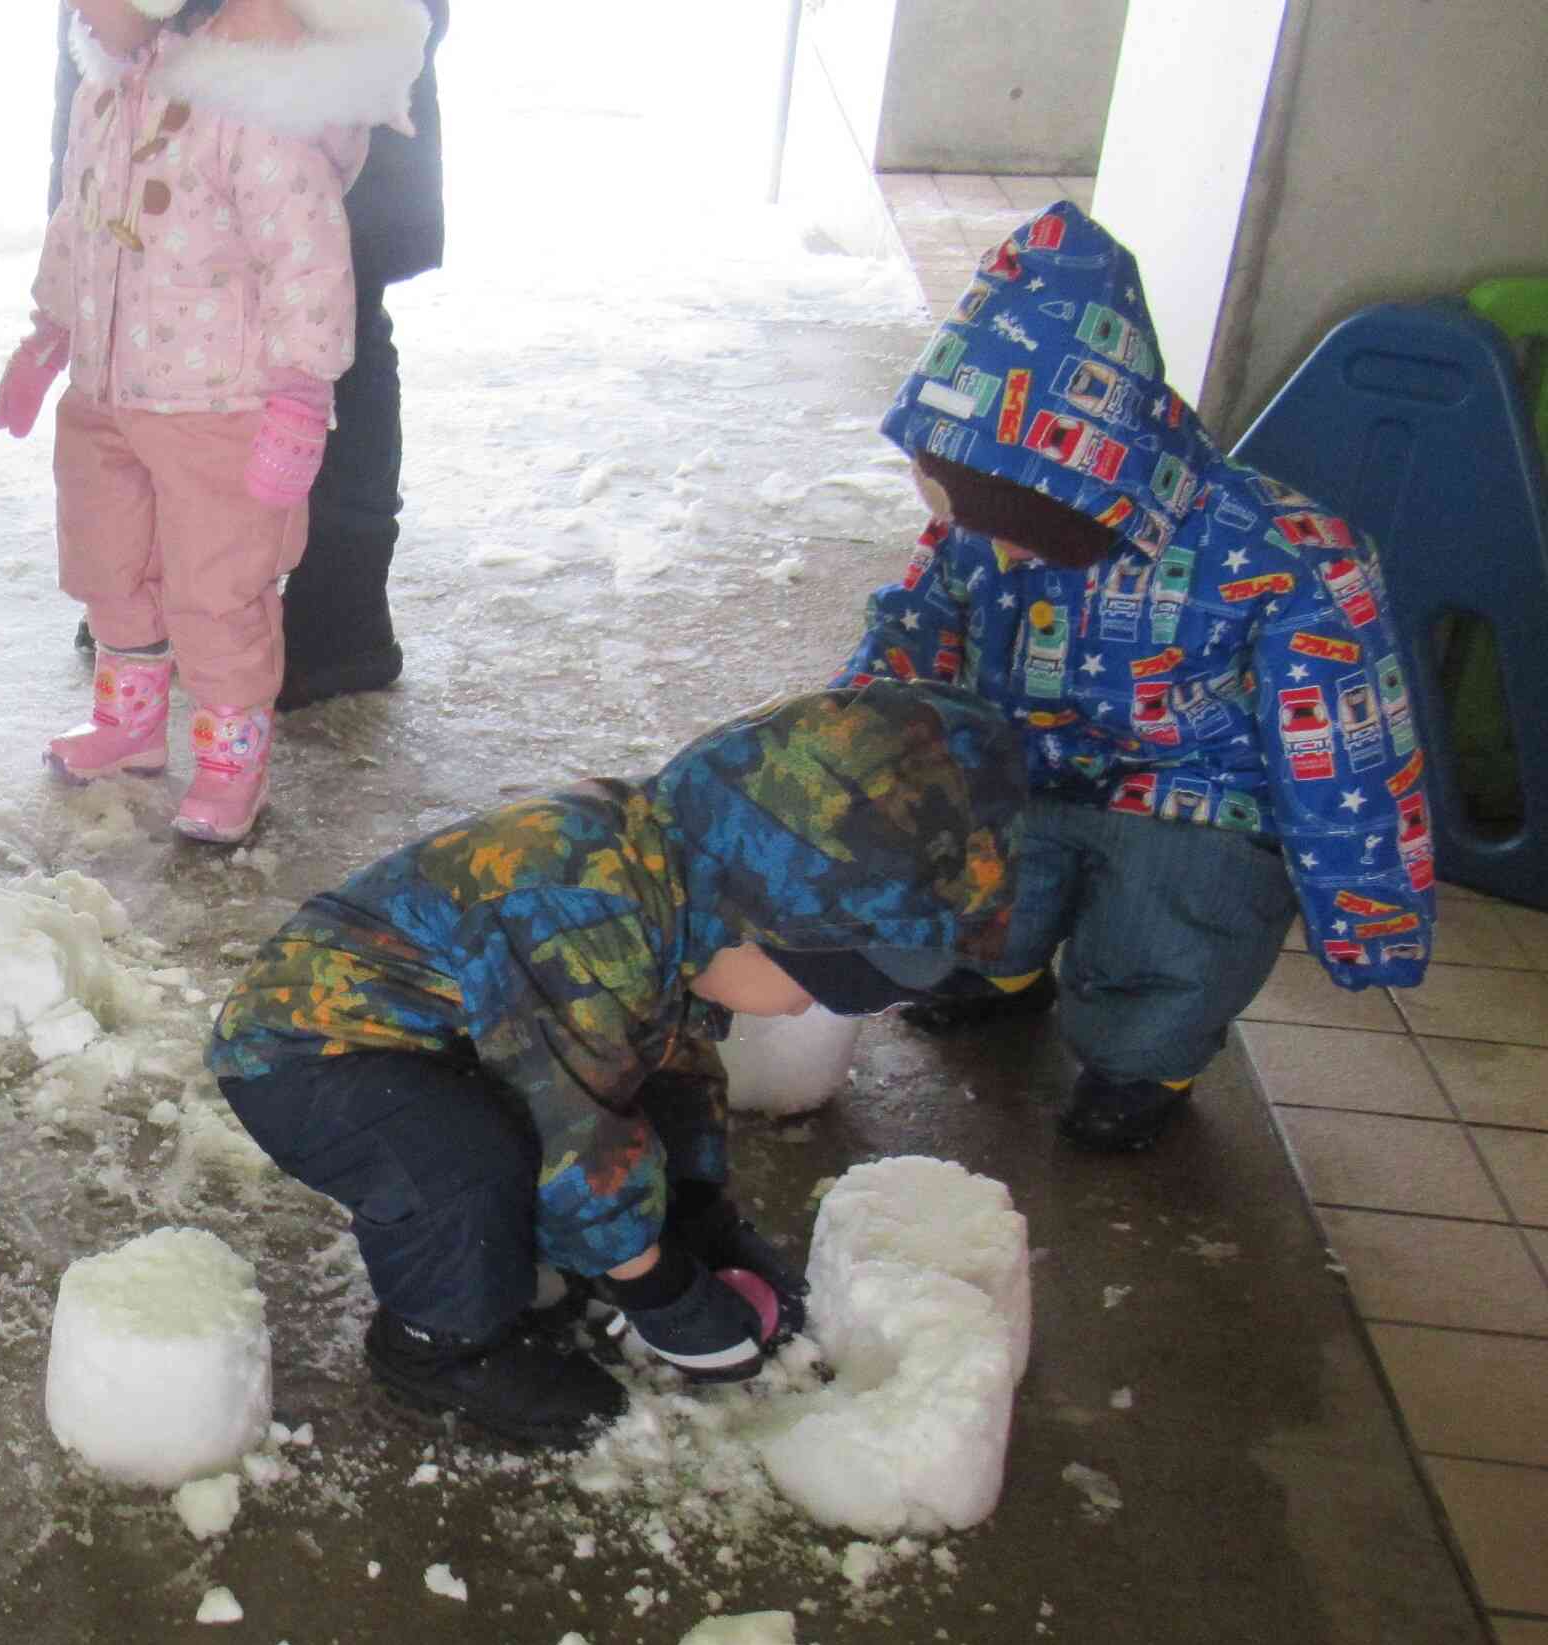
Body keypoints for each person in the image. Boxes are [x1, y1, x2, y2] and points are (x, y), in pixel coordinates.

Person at [208, 683, 1026, 1449]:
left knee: (631, 1088)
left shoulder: (681, 870)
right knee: (462, 1166)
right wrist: (655, 1288)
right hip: (309, 1058)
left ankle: (596, 1245)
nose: (802, 1010)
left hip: (455, 1038)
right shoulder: (582, 910)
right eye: (814, 985)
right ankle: (437, 1344)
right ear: (750, 918)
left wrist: (696, 1210)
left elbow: (669, 1060)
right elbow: (573, 1119)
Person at [837, 202, 1431, 1153]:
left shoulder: (1292, 558)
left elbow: (1348, 753)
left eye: (1001, 520)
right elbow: (914, 627)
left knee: (1164, 936)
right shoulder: (980, 526)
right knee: (973, 864)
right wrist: (849, 748)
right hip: (1022, 765)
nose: (978, 543)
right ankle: (1002, 973)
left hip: (1190, 801)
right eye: (957, 513)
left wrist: (1371, 914)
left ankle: (1142, 1058)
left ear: (1079, 489)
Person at [0, 0, 432, 844]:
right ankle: (128, 725)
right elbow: (75, 221)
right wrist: (47, 334)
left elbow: (308, 258)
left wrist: (302, 396)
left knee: (217, 593)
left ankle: (233, 758)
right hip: (105, 394)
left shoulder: (249, 111)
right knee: (107, 564)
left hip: (220, 407)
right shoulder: (104, 94)